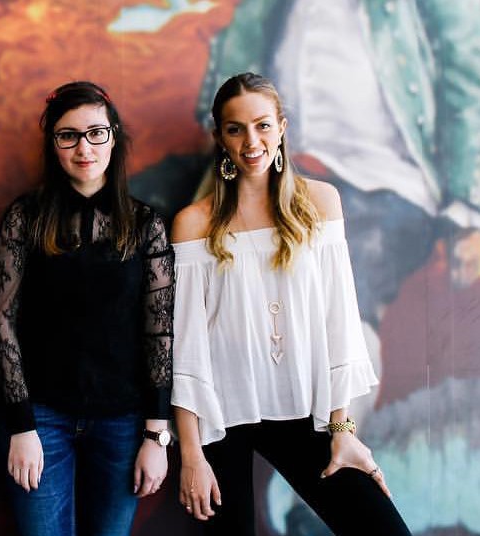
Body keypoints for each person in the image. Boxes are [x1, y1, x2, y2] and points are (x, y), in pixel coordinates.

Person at [196, 0, 480, 418]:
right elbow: (239, 52)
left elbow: (472, 79)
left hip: (387, 180)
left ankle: (338, 454)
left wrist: (468, 209)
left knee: (344, 310)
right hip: (282, 173)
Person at [170, 73, 411, 535]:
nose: (251, 141)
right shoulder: (193, 224)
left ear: (282, 127)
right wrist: (191, 454)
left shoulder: (320, 203)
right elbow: (186, 349)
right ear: (219, 136)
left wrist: (343, 432)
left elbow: (340, 323)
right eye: (235, 128)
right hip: (221, 418)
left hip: (303, 408)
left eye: (262, 125)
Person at [0, 81, 175, 536]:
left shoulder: (145, 224)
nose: (83, 147)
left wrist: (156, 435)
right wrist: (20, 425)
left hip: (122, 422)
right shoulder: (25, 217)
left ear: (114, 136)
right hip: (42, 420)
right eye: (67, 135)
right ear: (53, 145)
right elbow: (2, 322)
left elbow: (160, 333)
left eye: (96, 133)